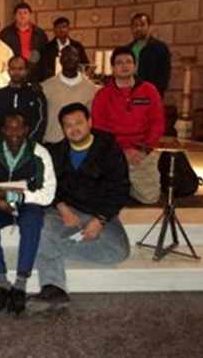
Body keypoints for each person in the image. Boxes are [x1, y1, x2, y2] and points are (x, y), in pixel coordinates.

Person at [28, 103, 130, 312]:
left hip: (99, 212)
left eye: (78, 123)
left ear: (89, 122)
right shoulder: (56, 152)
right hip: (64, 213)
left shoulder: (109, 149)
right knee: (40, 227)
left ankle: (51, 249)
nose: (74, 129)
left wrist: (100, 219)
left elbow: (120, 189)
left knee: (118, 252)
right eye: (68, 125)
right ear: (63, 128)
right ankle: (53, 289)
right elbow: (45, 185)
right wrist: (62, 207)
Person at [0, 113, 56, 315]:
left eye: (18, 127)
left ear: (26, 130)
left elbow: (48, 194)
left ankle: (20, 284)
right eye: (9, 128)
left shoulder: (39, 153)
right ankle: (2, 284)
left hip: (27, 204)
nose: (14, 133)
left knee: (33, 220)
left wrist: (17, 197)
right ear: (3, 130)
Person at [92, 46, 165, 204]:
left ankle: (129, 185)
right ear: (113, 68)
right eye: (119, 62)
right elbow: (99, 128)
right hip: (114, 152)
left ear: (135, 66)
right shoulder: (103, 95)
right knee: (103, 198)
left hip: (142, 151)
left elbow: (157, 123)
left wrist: (143, 149)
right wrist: (121, 151)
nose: (124, 65)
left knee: (150, 198)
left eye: (128, 62)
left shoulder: (149, 90)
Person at [41, 46, 97, 144]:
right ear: (60, 60)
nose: (69, 58)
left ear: (79, 59)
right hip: (52, 143)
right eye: (65, 55)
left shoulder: (91, 89)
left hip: (80, 144)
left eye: (73, 55)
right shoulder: (45, 87)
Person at [0, 56, 47, 144]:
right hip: (2, 146)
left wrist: (29, 143)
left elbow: (41, 121)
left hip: (30, 145)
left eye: (20, 69)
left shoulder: (36, 94)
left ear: (26, 71)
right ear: (8, 71)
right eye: (13, 69)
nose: (16, 72)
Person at [0, 3, 49, 83]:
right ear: (15, 16)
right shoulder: (5, 34)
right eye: (19, 13)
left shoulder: (39, 33)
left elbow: (45, 56)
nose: (22, 16)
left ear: (30, 15)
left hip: (35, 74)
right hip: (13, 74)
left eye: (25, 13)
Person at [127, 13, 171, 96]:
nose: (138, 28)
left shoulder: (160, 47)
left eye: (142, 25)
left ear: (149, 27)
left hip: (150, 94)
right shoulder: (127, 49)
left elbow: (164, 75)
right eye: (135, 26)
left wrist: (155, 92)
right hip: (129, 93)